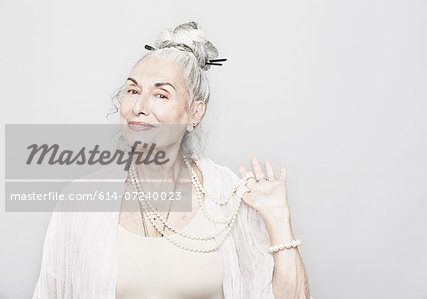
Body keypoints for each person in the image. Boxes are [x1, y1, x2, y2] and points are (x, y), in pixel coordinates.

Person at [32, 21, 312, 299]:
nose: (139, 108)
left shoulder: (227, 197)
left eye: (160, 94)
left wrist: (278, 220)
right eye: (132, 91)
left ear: (194, 113)